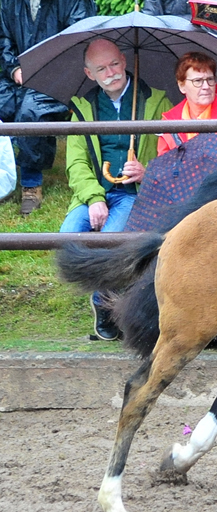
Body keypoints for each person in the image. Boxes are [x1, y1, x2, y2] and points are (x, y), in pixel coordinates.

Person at [62, 39, 171, 340]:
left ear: (124, 61)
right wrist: (95, 199)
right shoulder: (83, 109)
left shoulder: (156, 102)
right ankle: (108, 295)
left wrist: (146, 171)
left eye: (113, 64)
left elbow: (172, 153)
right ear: (89, 74)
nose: (110, 72)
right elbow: (76, 164)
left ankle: (103, 303)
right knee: (67, 236)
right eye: (101, 68)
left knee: (113, 240)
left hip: (132, 194)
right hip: (92, 193)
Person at [0, 0, 96, 215]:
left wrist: (39, 70)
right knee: (5, 103)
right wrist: (13, 68)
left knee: (31, 111)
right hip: (16, 72)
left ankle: (31, 183)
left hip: (59, 74)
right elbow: (3, 35)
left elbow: (78, 39)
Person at [159, 51, 217, 155]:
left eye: (210, 79)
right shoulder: (169, 122)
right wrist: (143, 172)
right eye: (198, 81)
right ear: (182, 86)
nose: (206, 86)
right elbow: (163, 167)